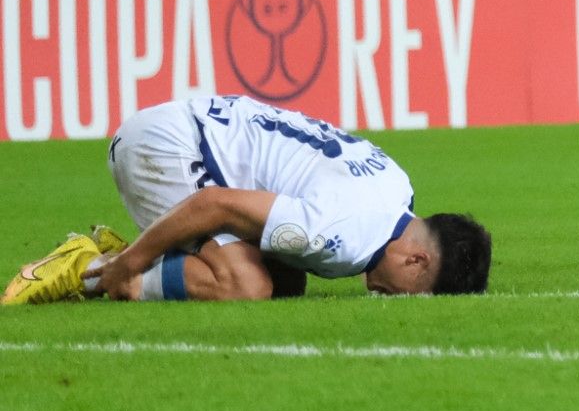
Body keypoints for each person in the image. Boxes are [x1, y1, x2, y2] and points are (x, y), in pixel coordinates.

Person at [3, 95, 489, 305]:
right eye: (411, 297)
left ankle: (147, 252)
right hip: (166, 148)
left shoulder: (397, 187)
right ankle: (93, 268)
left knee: (286, 282)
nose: (391, 300)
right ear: (417, 261)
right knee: (245, 286)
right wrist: (132, 263)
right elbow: (212, 204)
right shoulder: (339, 235)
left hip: (194, 126)